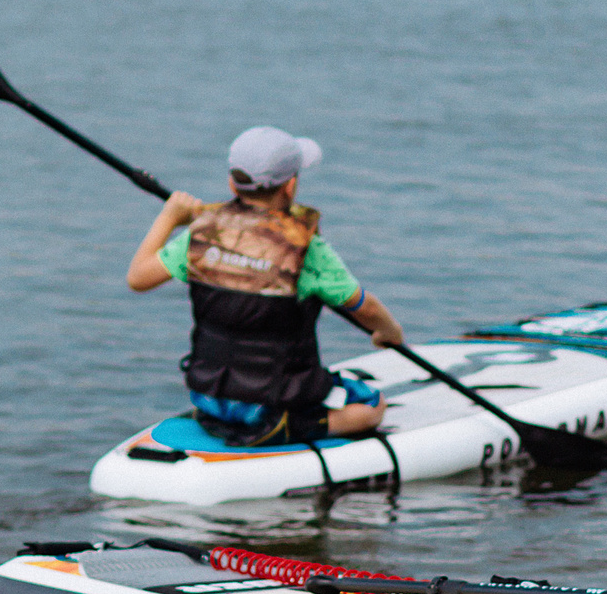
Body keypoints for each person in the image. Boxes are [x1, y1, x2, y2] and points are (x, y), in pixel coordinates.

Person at [125, 126, 406, 446]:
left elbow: (137, 278)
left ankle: (236, 416)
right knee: (372, 407)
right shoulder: (306, 249)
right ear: (291, 186)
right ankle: (296, 427)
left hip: (207, 399)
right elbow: (365, 308)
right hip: (274, 409)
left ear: (232, 182)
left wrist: (170, 216)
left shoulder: (201, 234)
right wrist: (389, 333)